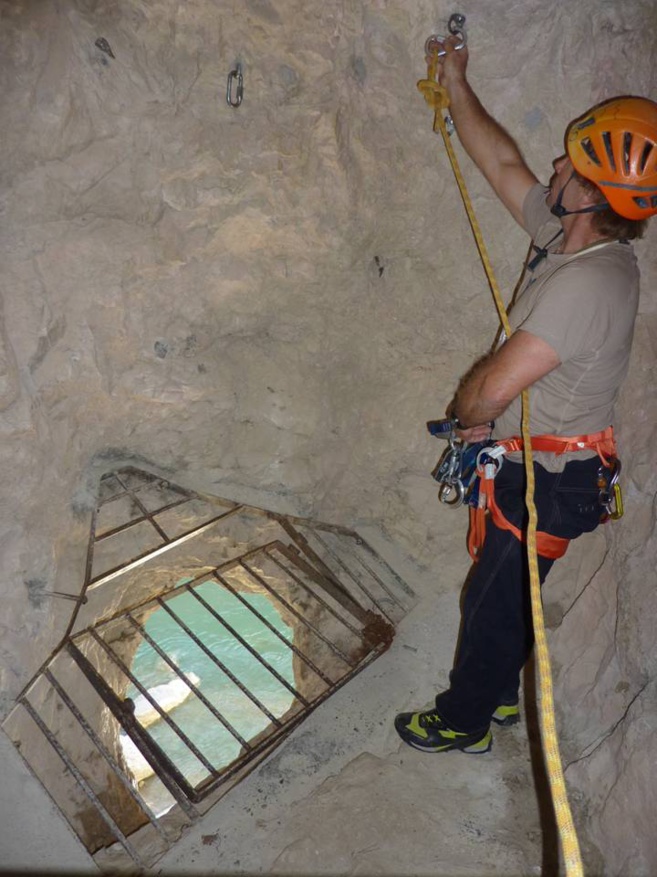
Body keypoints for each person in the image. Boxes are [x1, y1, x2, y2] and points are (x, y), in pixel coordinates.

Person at [395, 38, 657, 754]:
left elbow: (492, 388)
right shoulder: (563, 234)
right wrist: (456, 82)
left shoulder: (588, 283)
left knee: (490, 606)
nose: (552, 165)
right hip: (541, 465)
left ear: (592, 193)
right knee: (505, 594)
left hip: (549, 478)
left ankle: (464, 720)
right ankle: (500, 696)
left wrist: (462, 422)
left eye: (569, 164)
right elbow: (501, 163)